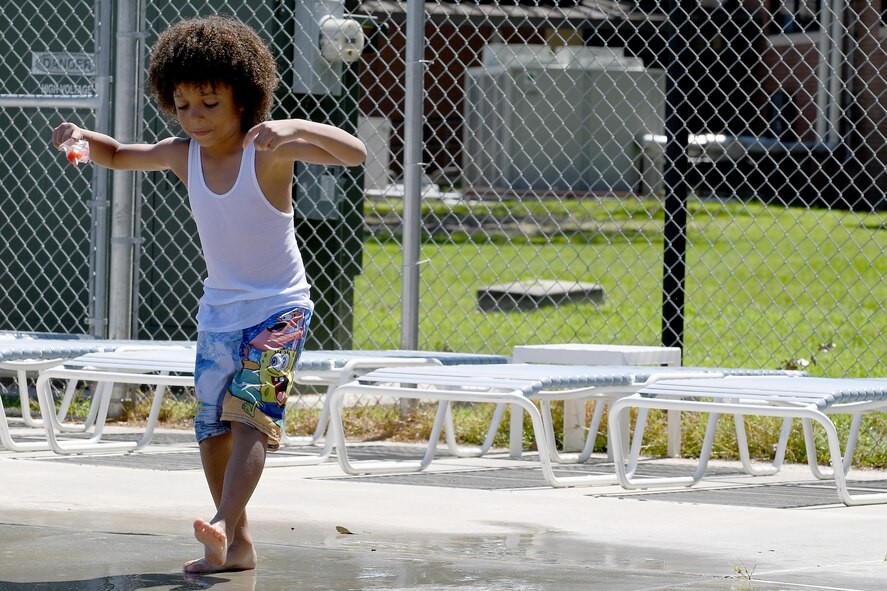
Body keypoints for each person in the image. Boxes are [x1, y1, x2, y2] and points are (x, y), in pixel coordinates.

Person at [51, 15, 366, 574]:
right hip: (219, 310)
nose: (193, 118)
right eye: (182, 104)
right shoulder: (182, 153)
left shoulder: (265, 152)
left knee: (250, 415)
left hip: (280, 308)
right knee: (211, 428)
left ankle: (220, 520)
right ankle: (236, 546)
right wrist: (81, 138)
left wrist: (295, 129)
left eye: (209, 104)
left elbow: (354, 154)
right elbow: (121, 154)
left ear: (244, 100)